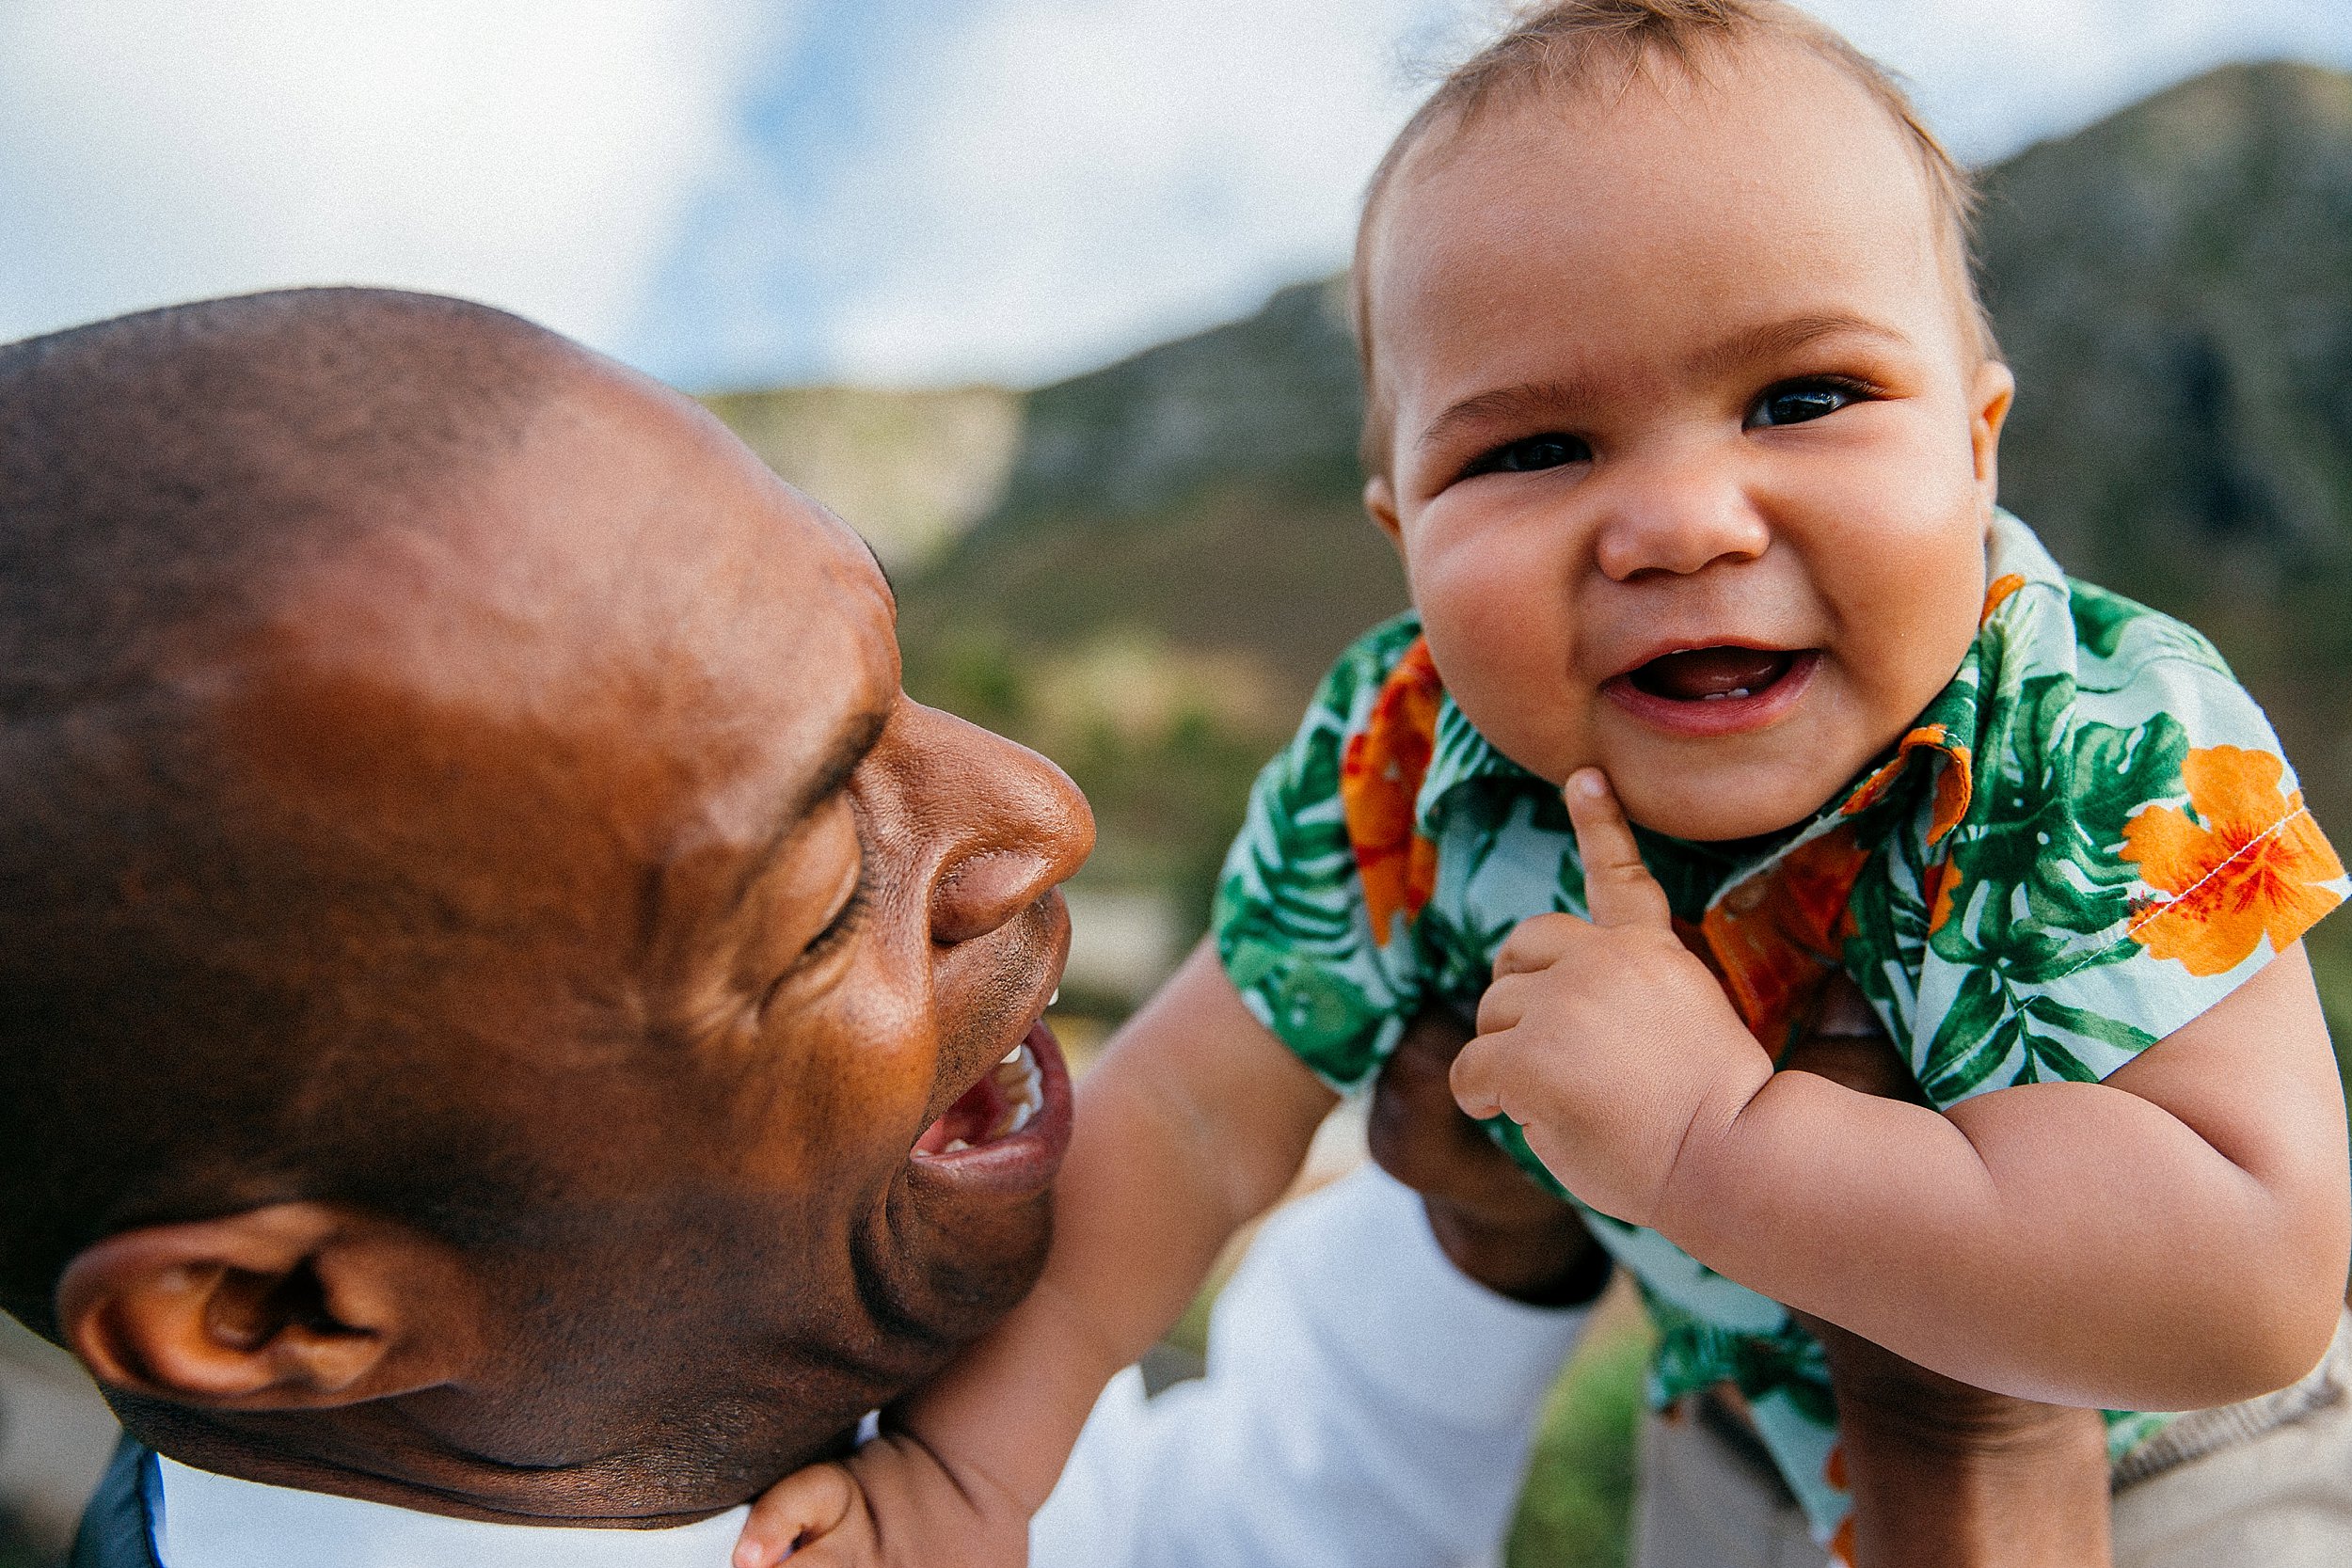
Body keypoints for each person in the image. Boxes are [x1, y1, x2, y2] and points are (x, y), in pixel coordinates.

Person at [737, 3, 2352, 1565]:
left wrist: (1715, 1142)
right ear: (1404, 541)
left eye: (1804, 400)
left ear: (1979, 447)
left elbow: (2255, 1278)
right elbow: (1179, 1124)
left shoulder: (2100, 733)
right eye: (1532, 452)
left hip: (2191, 1471)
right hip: (1740, 1454)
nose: (1682, 523)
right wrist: (969, 1471)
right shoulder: (1393, 766)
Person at [0, 286, 1608, 1568]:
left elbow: (1192, 1536)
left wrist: (1478, 1242)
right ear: (282, 1313)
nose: (1044, 817)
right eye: (828, 877)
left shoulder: (709, 1345)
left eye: (900, 692)